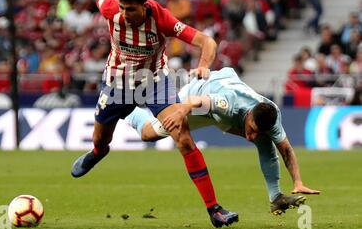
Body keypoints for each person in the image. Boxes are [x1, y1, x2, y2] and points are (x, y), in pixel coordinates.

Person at [68, 0, 238, 228]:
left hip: (154, 82)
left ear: (144, 6)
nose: (124, 14)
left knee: (182, 136)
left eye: (130, 9)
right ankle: (98, 153)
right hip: (117, 84)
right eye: (122, 8)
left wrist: (204, 65)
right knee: (101, 140)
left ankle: (214, 210)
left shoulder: (162, 19)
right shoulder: (111, 8)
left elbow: (207, 40)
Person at [125, 68, 321, 216]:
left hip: (224, 106)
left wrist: (298, 181)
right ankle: (126, 108)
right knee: (148, 134)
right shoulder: (229, 103)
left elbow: (285, 149)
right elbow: (196, 101)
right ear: (250, 114)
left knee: (264, 141)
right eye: (251, 129)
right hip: (197, 96)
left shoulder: (272, 116)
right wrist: (181, 110)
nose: (250, 136)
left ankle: (276, 197)